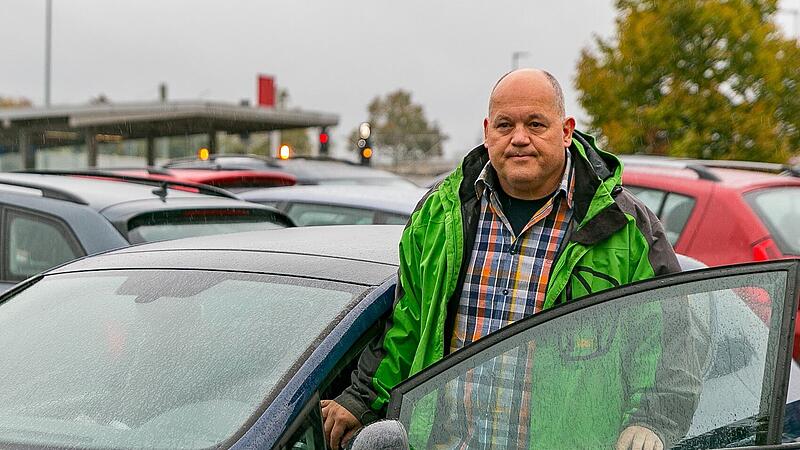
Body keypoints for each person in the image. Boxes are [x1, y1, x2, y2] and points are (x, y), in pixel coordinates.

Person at [322, 69, 701, 450]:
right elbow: (407, 324)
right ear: (488, 132)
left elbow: (668, 343)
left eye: (536, 124)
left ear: (566, 131)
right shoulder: (440, 215)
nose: (519, 138)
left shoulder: (625, 227)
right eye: (505, 125)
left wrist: (651, 422)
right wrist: (361, 398)